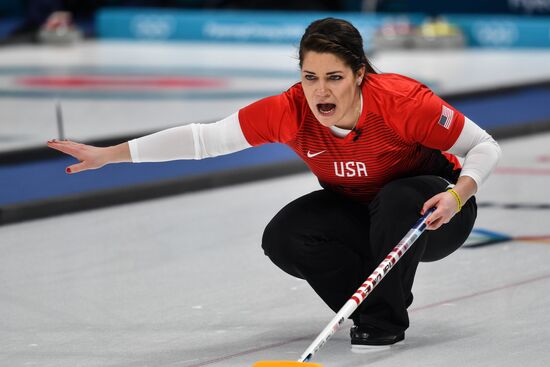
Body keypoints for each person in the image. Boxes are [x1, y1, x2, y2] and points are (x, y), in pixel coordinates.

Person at [48, 18, 501, 351]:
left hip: (434, 215)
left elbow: (483, 145)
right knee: (286, 237)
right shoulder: (289, 110)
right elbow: (206, 139)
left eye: (334, 78)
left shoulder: (402, 103)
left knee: (397, 196)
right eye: (310, 78)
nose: (321, 92)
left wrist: (458, 193)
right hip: (365, 214)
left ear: (360, 73)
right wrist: (110, 155)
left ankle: (384, 320)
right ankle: (368, 305)